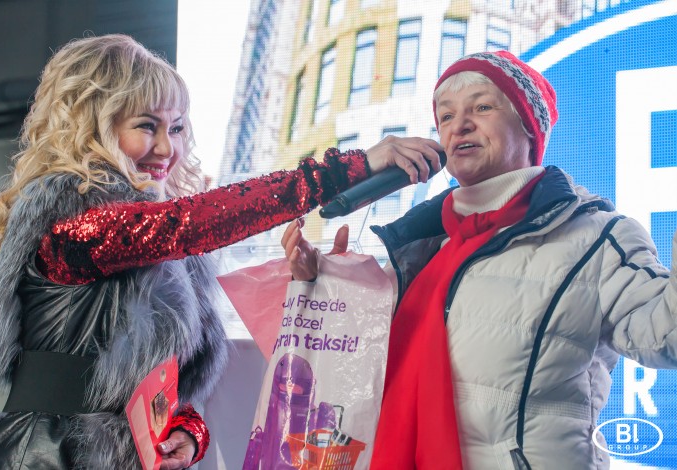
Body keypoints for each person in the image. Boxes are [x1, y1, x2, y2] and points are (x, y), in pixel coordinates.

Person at [0, 34, 432, 470]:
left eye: (176, 128)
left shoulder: (170, 256)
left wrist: (187, 432)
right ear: (93, 127)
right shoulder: (72, 226)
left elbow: (167, 392)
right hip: (45, 455)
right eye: (146, 126)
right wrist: (348, 169)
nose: (167, 148)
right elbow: (188, 223)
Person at [281, 50, 677, 469]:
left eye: (482, 107)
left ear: (529, 127)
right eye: (446, 116)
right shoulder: (415, 247)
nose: (460, 125)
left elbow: (665, 338)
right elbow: (353, 378)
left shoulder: (596, 235)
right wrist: (319, 288)